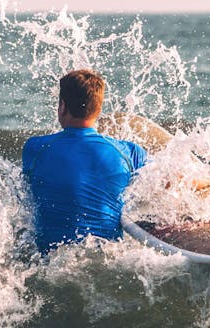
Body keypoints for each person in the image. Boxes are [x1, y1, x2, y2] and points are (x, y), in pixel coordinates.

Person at [22, 69, 148, 254]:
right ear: (98, 109)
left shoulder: (34, 149)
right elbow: (166, 179)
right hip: (107, 258)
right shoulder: (129, 153)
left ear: (62, 106)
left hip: (47, 260)